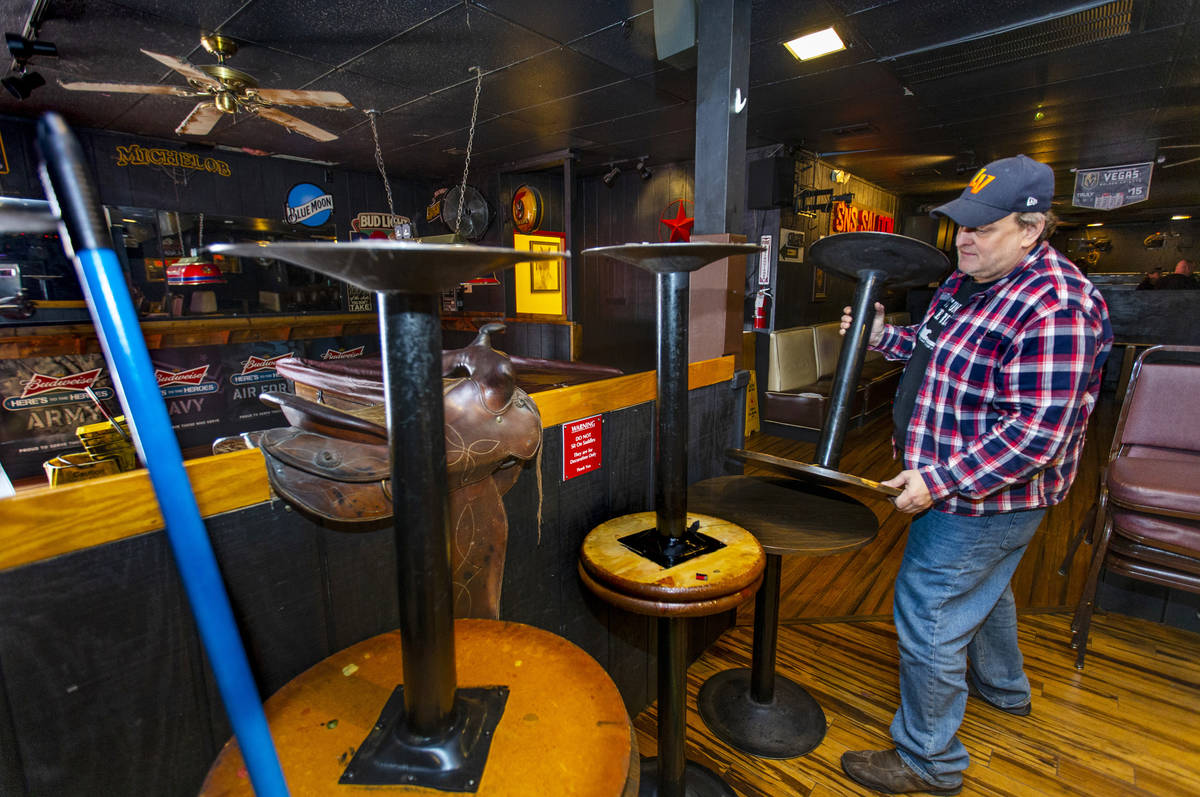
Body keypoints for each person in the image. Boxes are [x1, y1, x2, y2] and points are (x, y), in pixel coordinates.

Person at [837, 154, 1113, 796]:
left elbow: (1036, 435)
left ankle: (928, 761)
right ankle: (1004, 689)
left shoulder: (1056, 308)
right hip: (966, 485)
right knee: (986, 590)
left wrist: (940, 480)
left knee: (930, 610)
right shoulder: (966, 282)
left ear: (1031, 229)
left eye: (982, 227)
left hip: (986, 497)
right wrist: (883, 335)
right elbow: (935, 352)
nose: (964, 238)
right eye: (961, 224)